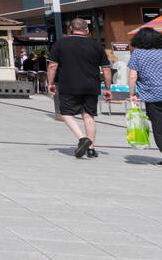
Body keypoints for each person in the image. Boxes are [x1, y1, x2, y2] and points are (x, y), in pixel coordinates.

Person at [46, 17, 113, 159]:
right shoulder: (96, 45)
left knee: (66, 113)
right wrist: (107, 88)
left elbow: (52, 65)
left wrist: (50, 83)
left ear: (71, 28)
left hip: (69, 84)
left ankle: (82, 138)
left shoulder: (61, 44)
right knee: (88, 115)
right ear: (87, 30)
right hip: (92, 85)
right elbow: (106, 69)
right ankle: (91, 149)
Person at [127, 26, 162, 167]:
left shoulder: (138, 54)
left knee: (161, 129)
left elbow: (133, 76)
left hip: (154, 97)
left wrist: (132, 94)